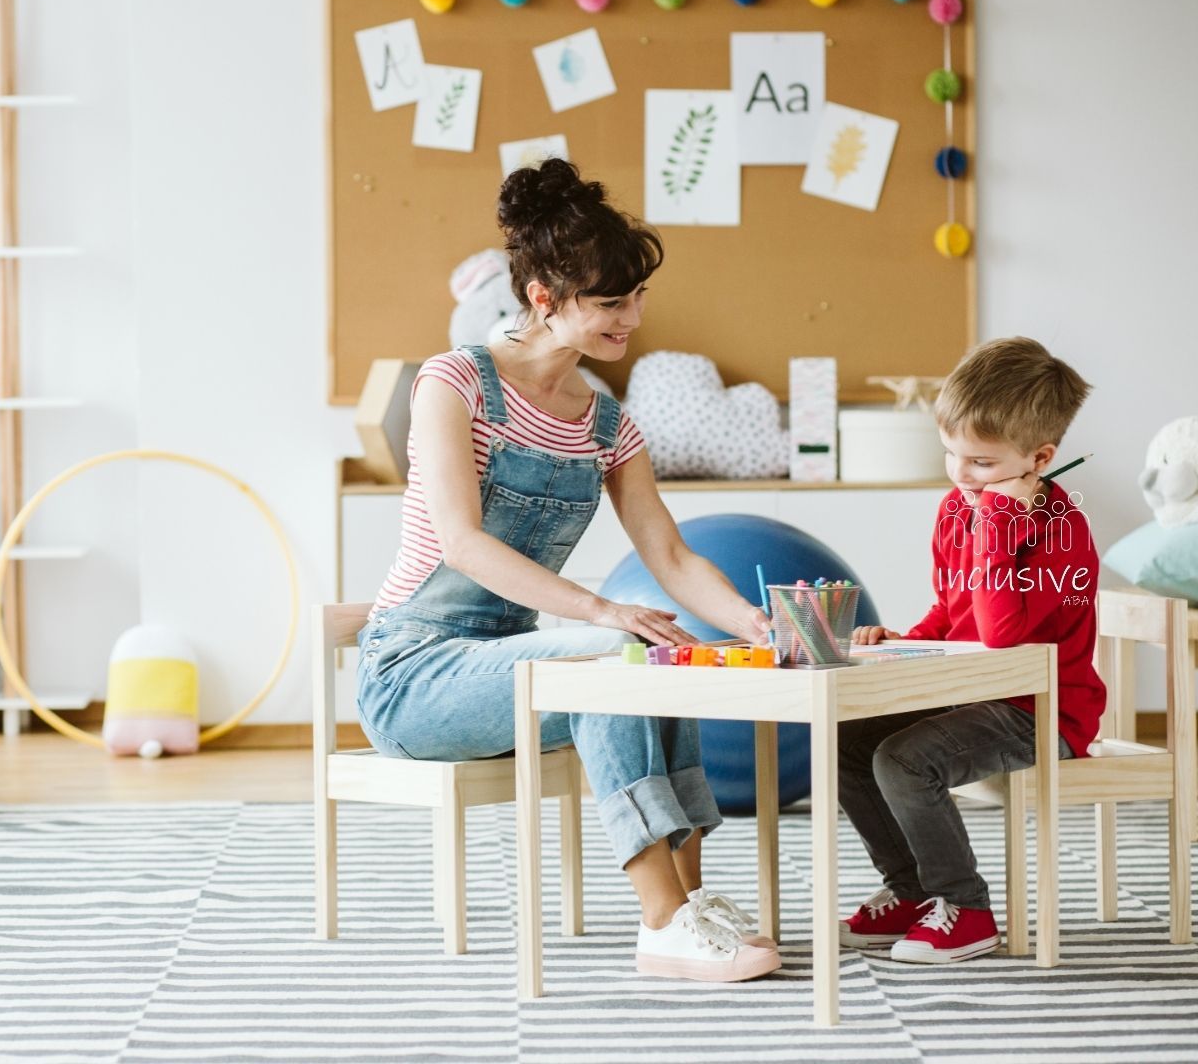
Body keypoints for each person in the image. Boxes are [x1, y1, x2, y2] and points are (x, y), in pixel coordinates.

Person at [355, 158, 777, 983]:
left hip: (511, 666)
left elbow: (672, 555)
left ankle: (691, 907)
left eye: (637, 297)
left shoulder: (608, 421)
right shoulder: (455, 383)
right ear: (544, 298)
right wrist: (597, 610)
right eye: (611, 302)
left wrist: (761, 627)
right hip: (413, 673)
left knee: (660, 661)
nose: (634, 317)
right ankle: (661, 923)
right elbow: (462, 543)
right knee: (605, 664)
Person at [839, 336, 1103, 963]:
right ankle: (913, 890)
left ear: (1039, 458)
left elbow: (1003, 639)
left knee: (904, 761)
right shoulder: (959, 507)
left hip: (1040, 707)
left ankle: (968, 910)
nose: (961, 474)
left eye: (981, 463)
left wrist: (994, 527)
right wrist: (908, 638)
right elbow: (956, 611)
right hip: (976, 691)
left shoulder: (1058, 531)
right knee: (849, 740)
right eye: (951, 452)